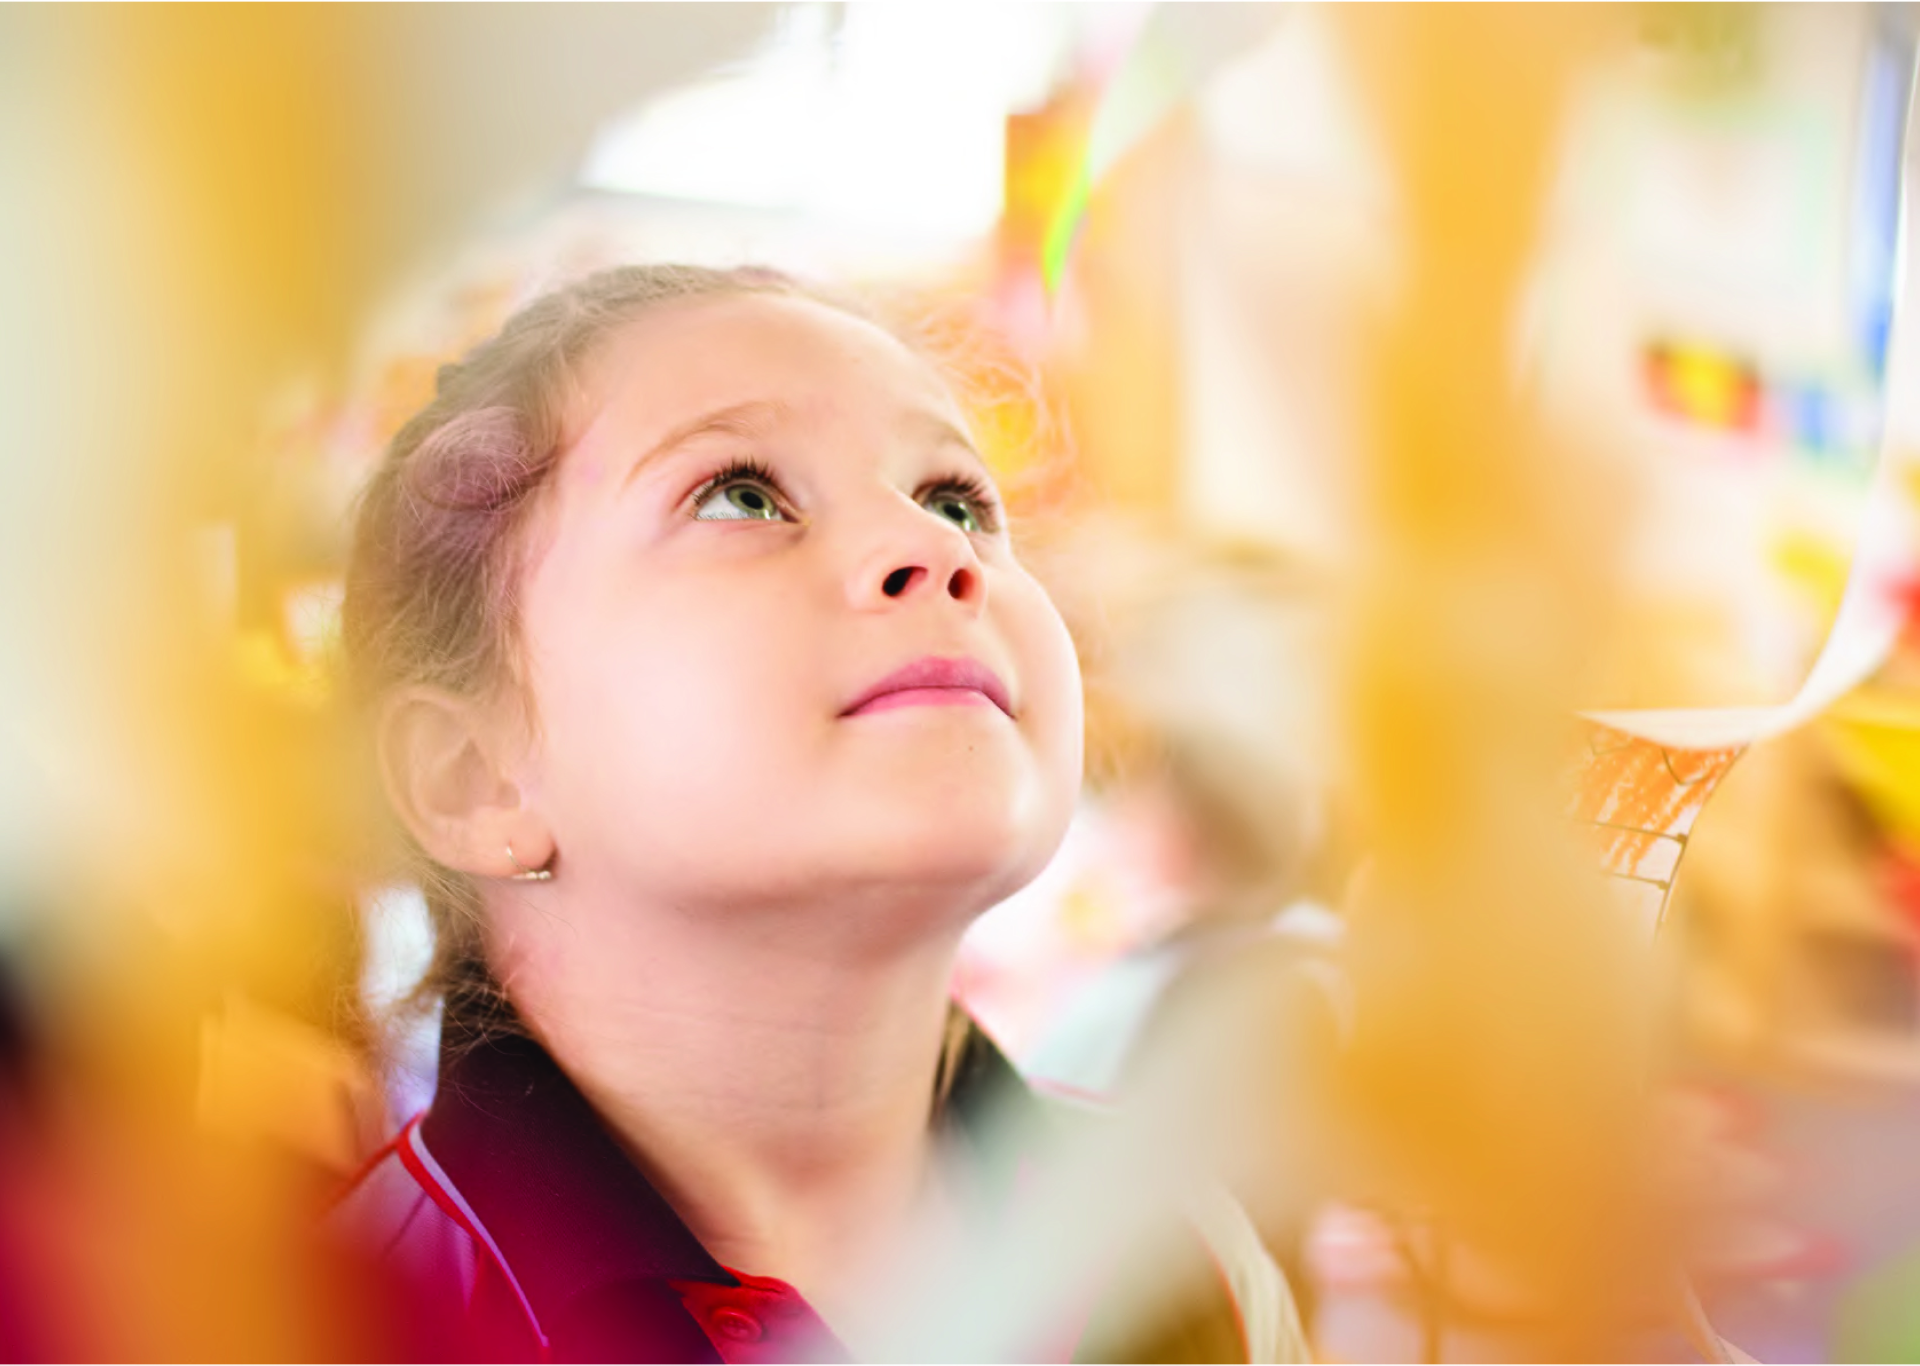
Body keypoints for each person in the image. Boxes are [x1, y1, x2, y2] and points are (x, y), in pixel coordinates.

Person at [327, 264, 1304, 1362]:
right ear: (475, 776)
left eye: (955, 500)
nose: (938, 550)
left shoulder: (1175, 1250)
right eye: (742, 495)